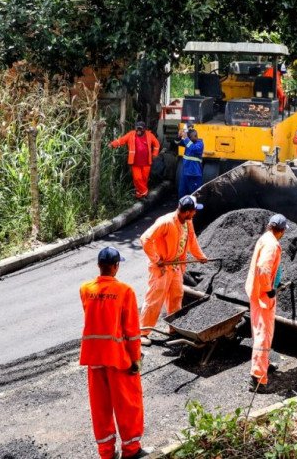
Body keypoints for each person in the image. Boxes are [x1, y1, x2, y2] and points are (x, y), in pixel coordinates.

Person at [79, 247, 146, 459]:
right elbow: (132, 332)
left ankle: (106, 453)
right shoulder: (125, 291)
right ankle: (131, 450)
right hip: (118, 359)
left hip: (94, 358)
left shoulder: (85, 289)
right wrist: (136, 358)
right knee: (128, 404)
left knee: (100, 408)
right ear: (116, 267)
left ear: (99, 266)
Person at [138, 196, 208, 343]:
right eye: (194, 211)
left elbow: (192, 240)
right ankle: (143, 332)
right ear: (187, 211)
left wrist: (200, 256)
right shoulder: (166, 222)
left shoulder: (188, 222)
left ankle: (174, 328)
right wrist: (156, 260)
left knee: (176, 297)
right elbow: (145, 239)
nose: (195, 213)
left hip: (175, 266)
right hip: (161, 268)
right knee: (155, 299)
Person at [246, 213, 287, 392]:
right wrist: (269, 290)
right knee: (264, 334)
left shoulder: (265, 238)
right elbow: (264, 268)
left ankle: (264, 364)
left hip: (255, 292)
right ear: (282, 230)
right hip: (263, 296)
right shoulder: (272, 245)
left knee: (259, 331)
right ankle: (258, 377)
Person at [110, 121, 161, 199]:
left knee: (144, 179)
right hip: (135, 163)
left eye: (140, 129)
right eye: (137, 129)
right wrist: (113, 144)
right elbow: (122, 140)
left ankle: (139, 194)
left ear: (144, 129)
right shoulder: (131, 134)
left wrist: (154, 154)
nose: (139, 131)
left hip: (146, 162)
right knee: (137, 179)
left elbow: (156, 144)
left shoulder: (149, 135)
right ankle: (145, 192)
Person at [177, 126, 204, 199]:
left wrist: (186, 138)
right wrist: (179, 137)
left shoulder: (200, 144)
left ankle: (195, 209)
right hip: (185, 174)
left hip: (194, 174)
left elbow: (193, 148)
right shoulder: (189, 142)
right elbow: (177, 142)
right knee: (182, 193)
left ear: (195, 136)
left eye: (190, 137)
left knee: (194, 194)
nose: (189, 139)